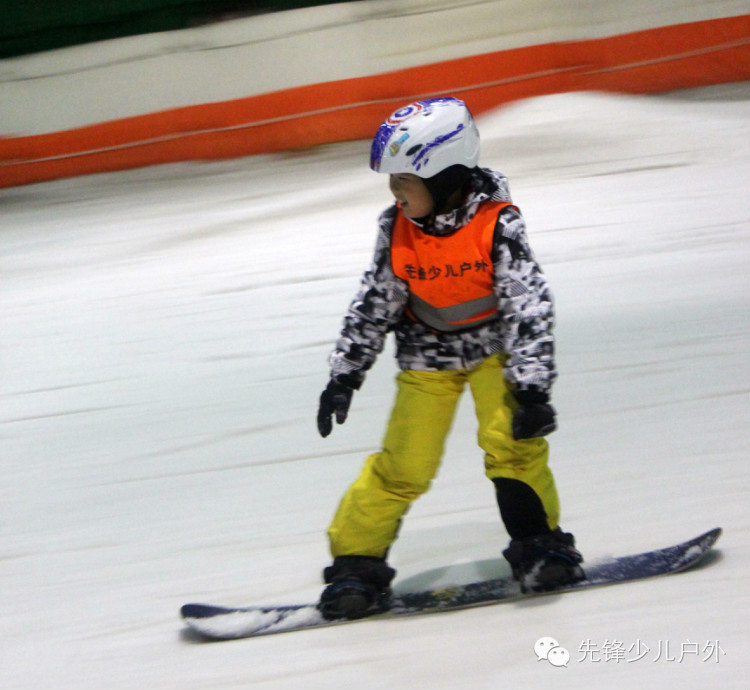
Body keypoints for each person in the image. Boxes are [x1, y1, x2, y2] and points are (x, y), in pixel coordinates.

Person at [315, 97, 583, 621]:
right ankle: (356, 568)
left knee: (513, 445)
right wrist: (345, 373)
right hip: (428, 358)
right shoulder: (397, 230)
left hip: (493, 351)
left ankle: (540, 547)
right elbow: (374, 302)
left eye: (403, 181)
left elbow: (528, 302)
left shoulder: (497, 223)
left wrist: (530, 387)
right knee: (403, 466)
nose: (394, 191)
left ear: (443, 177)